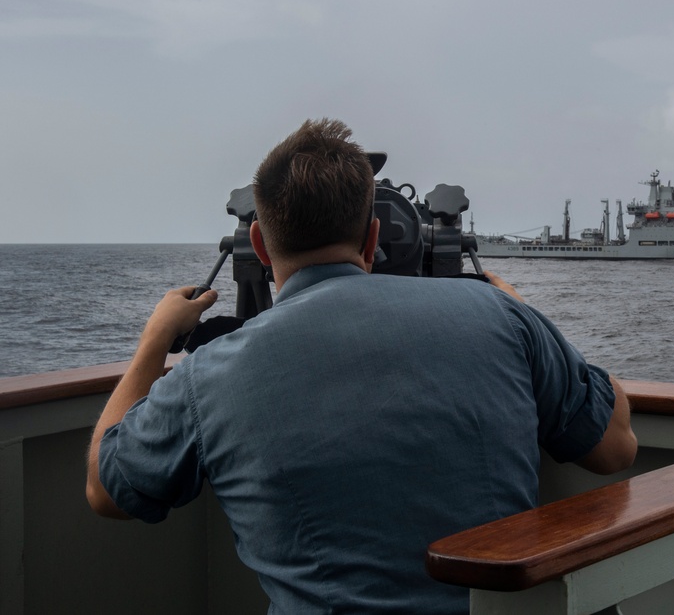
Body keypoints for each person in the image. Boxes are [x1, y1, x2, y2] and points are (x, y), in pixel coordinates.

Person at [86, 118, 637, 614]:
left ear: (256, 239)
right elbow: (615, 448)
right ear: (374, 237)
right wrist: (523, 316)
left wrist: (155, 338)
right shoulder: (501, 318)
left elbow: (106, 490)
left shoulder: (208, 375)